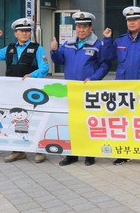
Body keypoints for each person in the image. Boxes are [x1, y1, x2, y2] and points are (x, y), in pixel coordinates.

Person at [102, 6, 140, 165]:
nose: (131, 22)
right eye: (129, 20)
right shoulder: (120, 40)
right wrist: (108, 40)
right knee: (125, 120)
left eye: (135, 19)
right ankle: (124, 152)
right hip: (123, 89)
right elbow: (108, 57)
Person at [0, 17, 49, 164]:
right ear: (16, 33)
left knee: (32, 118)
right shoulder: (9, 48)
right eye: (21, 31)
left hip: (31, 91)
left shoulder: (37, 48)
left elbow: (45, 68)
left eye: (27, 31)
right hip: (12, 92)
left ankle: (38, 150)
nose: (25, 34)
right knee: (15, 119)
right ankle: (17, 151)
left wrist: (32, 75)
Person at [50, 12, 108, 166]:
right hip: (71, 89)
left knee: (88, 122)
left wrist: (94, 79)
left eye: (84, 27)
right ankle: (72, 154)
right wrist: (54, 51)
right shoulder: (68, 43)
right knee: (72, 122)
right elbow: (59, 60)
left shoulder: (98, 45)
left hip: (88, 91)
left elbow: (105, 65)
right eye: (79, 27)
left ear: (90, 28)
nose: (81, 30)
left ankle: (89, 154)